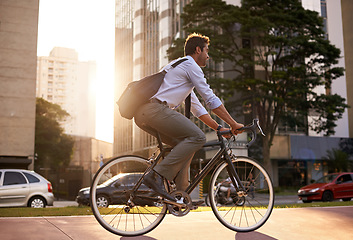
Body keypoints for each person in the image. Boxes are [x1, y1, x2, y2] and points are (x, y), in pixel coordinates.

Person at [134, 33, 244, 204]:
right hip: (154, 109)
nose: (208, 56)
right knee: (198, 137)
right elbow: (210, 99)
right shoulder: (190, 65)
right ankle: (156, 176)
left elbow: (197, 108)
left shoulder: (179, 69)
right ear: (198, 50)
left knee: (186, 145)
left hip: (144, 113)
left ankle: (179, 197)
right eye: (207, 51)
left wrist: (218, 128)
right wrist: (233, 123)